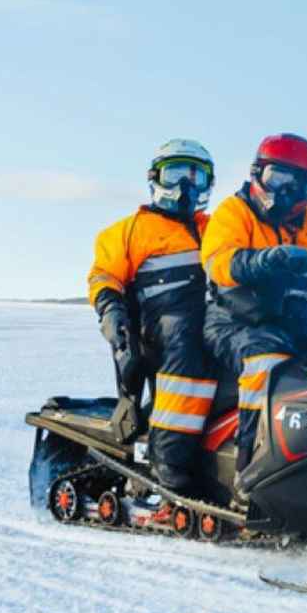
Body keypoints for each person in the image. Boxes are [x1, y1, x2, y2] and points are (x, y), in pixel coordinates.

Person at [200, 113, 307, 489]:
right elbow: (219, 263)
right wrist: (266, 259)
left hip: (295, 328)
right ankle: (252, 469)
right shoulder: (235, 211)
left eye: (299, 183)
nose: (285, 191)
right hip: (236, 323)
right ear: (257, 173)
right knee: (266, 361)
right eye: (277, 177)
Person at [87, 140, 216, 495]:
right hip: (157, 328)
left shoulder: (215, 229)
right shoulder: (127, 231)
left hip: (212, 321)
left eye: (196, 177)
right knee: (190, 350)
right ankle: (168, 463)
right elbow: (104, 275)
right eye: (175, 174)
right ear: (155, 178)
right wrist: (111, 311)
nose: (185, 187)